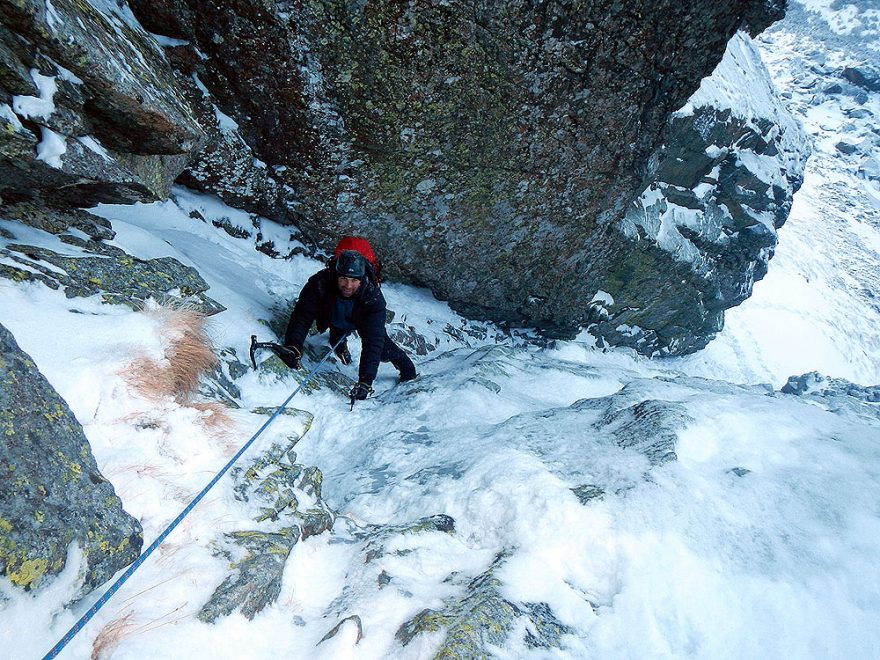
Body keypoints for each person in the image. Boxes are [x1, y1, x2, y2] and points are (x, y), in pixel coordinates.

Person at [282, 250, 417, 400]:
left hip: (360, 319)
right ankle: (340, 347)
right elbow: (302, 315)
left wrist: (365, 382)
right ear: (336, 275)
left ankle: (408, 369)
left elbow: (373, 342)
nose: (348, 285)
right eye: (344, 278)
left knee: (383, 349)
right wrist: (293, 346)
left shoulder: (372, 297)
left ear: (362, 279)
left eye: (354, 280)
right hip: (334, 314)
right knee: (337, 331)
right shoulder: (320, 283)